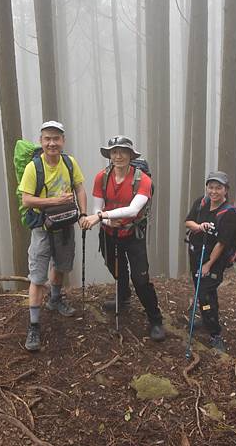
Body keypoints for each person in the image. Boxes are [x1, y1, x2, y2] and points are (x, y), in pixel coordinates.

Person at [82, 136, 165, 342]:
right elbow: (96, 207)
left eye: (123, 152)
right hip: (110, 233)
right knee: (116, 268)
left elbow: (133, 209)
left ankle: (155, 319)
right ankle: (124, 296)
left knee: (140, 278)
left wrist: (102, 217)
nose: (118, 156)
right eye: (114, 152)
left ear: (130, 155)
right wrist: (108, 222)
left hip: (133, 235)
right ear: (109, 155)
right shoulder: (102, 177)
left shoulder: (142, 180)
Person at [19, 121, 87, 351]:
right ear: (41, 141)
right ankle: (34, 326)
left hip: (65, 224)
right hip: (42, 228)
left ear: (63, 141)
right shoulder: (33, 168)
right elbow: (26, 200)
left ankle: (55, 300)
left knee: (61, 266)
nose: (52, 143)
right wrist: (54, 201)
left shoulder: (69, 162)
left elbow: (79, 187)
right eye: (47, 138)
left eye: (56, 138)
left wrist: (83, 214)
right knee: (38, 277)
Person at [185, 171, 236, 353]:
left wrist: (208, 265)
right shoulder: (201, 203)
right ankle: (207, 317)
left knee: (205, 294)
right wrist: (199, 227)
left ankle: (215, 333)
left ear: (226, 190)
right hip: (196, 255)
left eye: (218, 188)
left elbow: (222, 243)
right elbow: (188, 222)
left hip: (213, 261)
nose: (214, 191)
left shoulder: (229, 214)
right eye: (211, 187)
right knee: (203, 291)